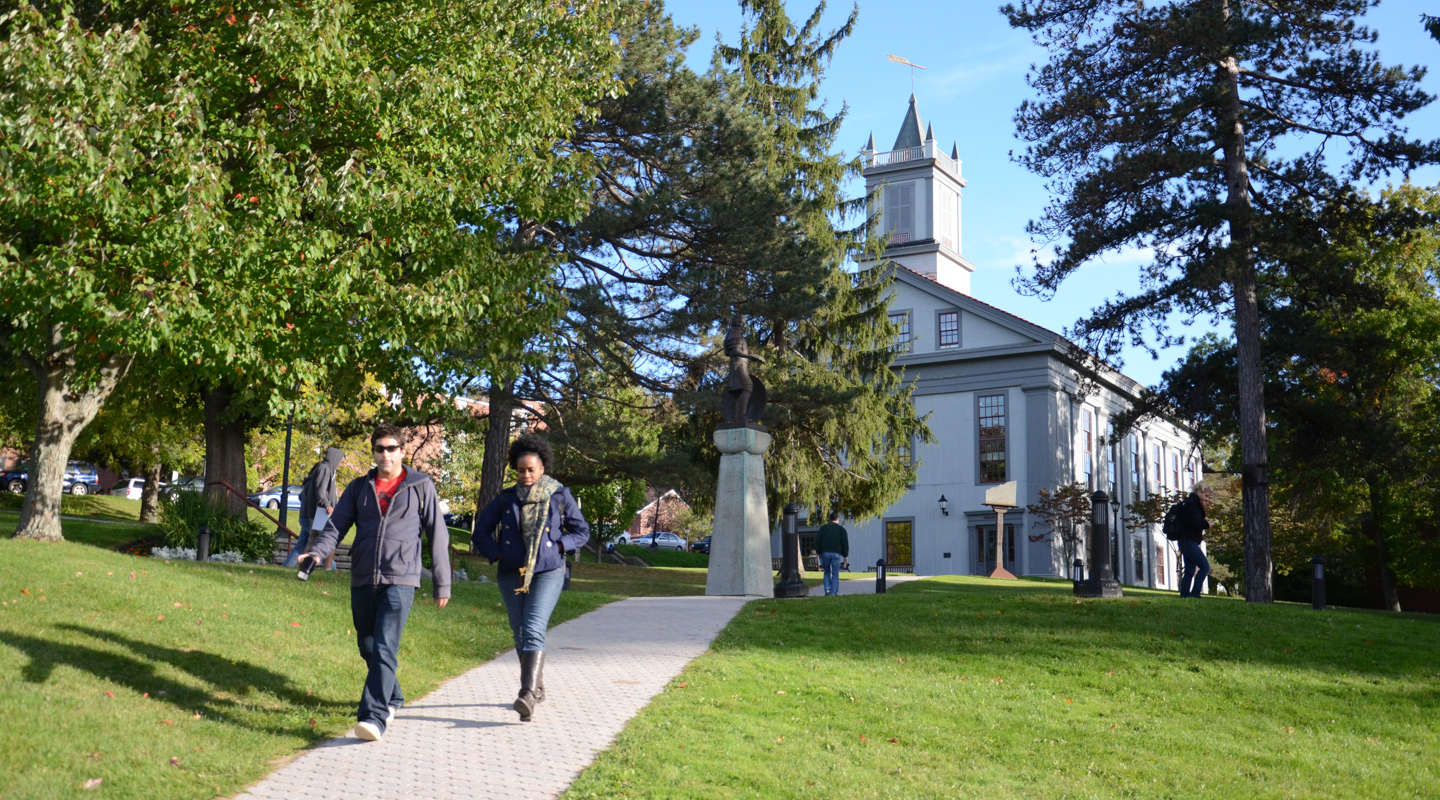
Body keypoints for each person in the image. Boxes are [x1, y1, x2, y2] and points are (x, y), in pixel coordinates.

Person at [300, 424, 450, 742]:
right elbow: (335, 527)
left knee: (384, 645)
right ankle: (393, 697)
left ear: (402, 451)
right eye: (380, 448)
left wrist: (442, 583)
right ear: (374, 452)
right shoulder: (358, 488)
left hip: (402, 578)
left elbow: (438, 534)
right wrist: (315, 553)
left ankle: (374, 716)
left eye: (392, 448)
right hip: (364, 576)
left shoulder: (421, 485)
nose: (386, 454)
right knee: (367, 646)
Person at [472, 433, 589, 722]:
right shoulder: (506, 498)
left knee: (533, 626)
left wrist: (559, 547)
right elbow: (480, 533)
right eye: (521, 470)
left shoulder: (559, 494)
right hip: (512, 572)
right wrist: (498, 555)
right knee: (519, 631)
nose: (526, 475)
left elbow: (581, 531)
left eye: (531, 470)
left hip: (548, 571)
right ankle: (536, 685)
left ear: (542, 468)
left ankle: (526, 695)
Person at [283, 446, 344, 570]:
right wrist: (327, 504)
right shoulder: (325, 469)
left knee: (310, 543)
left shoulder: (327, 470)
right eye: (341, 461)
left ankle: (299, 568)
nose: (341, 464)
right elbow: (320, 491)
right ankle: (328, 570)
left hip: (318, 514)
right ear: (335, 458)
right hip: (320, 513)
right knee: (330, 541)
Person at [1176, 480, 1213, 598]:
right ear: (1199, 492)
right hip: (1188, 541)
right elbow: (1192, 522)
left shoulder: (1189, 503)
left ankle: (1185, 594)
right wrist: (1207, 525)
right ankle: (1195, 593)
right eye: (1206, 496)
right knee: (1205, 567)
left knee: (1190, 571)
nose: (1207, 499)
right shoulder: (1192, 504)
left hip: (1185, 540)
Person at [812, 511, 850, 596]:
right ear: (838, 519)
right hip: (836, 553)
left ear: (830, 519)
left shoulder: (823, 528)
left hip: (825, 552)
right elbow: (845, 543)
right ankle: (833, 592)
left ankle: (827, 589)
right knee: (835, 573)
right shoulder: (841, 530)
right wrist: (845, 555)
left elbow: (818, 541)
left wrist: (819, 552)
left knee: (826, 571)